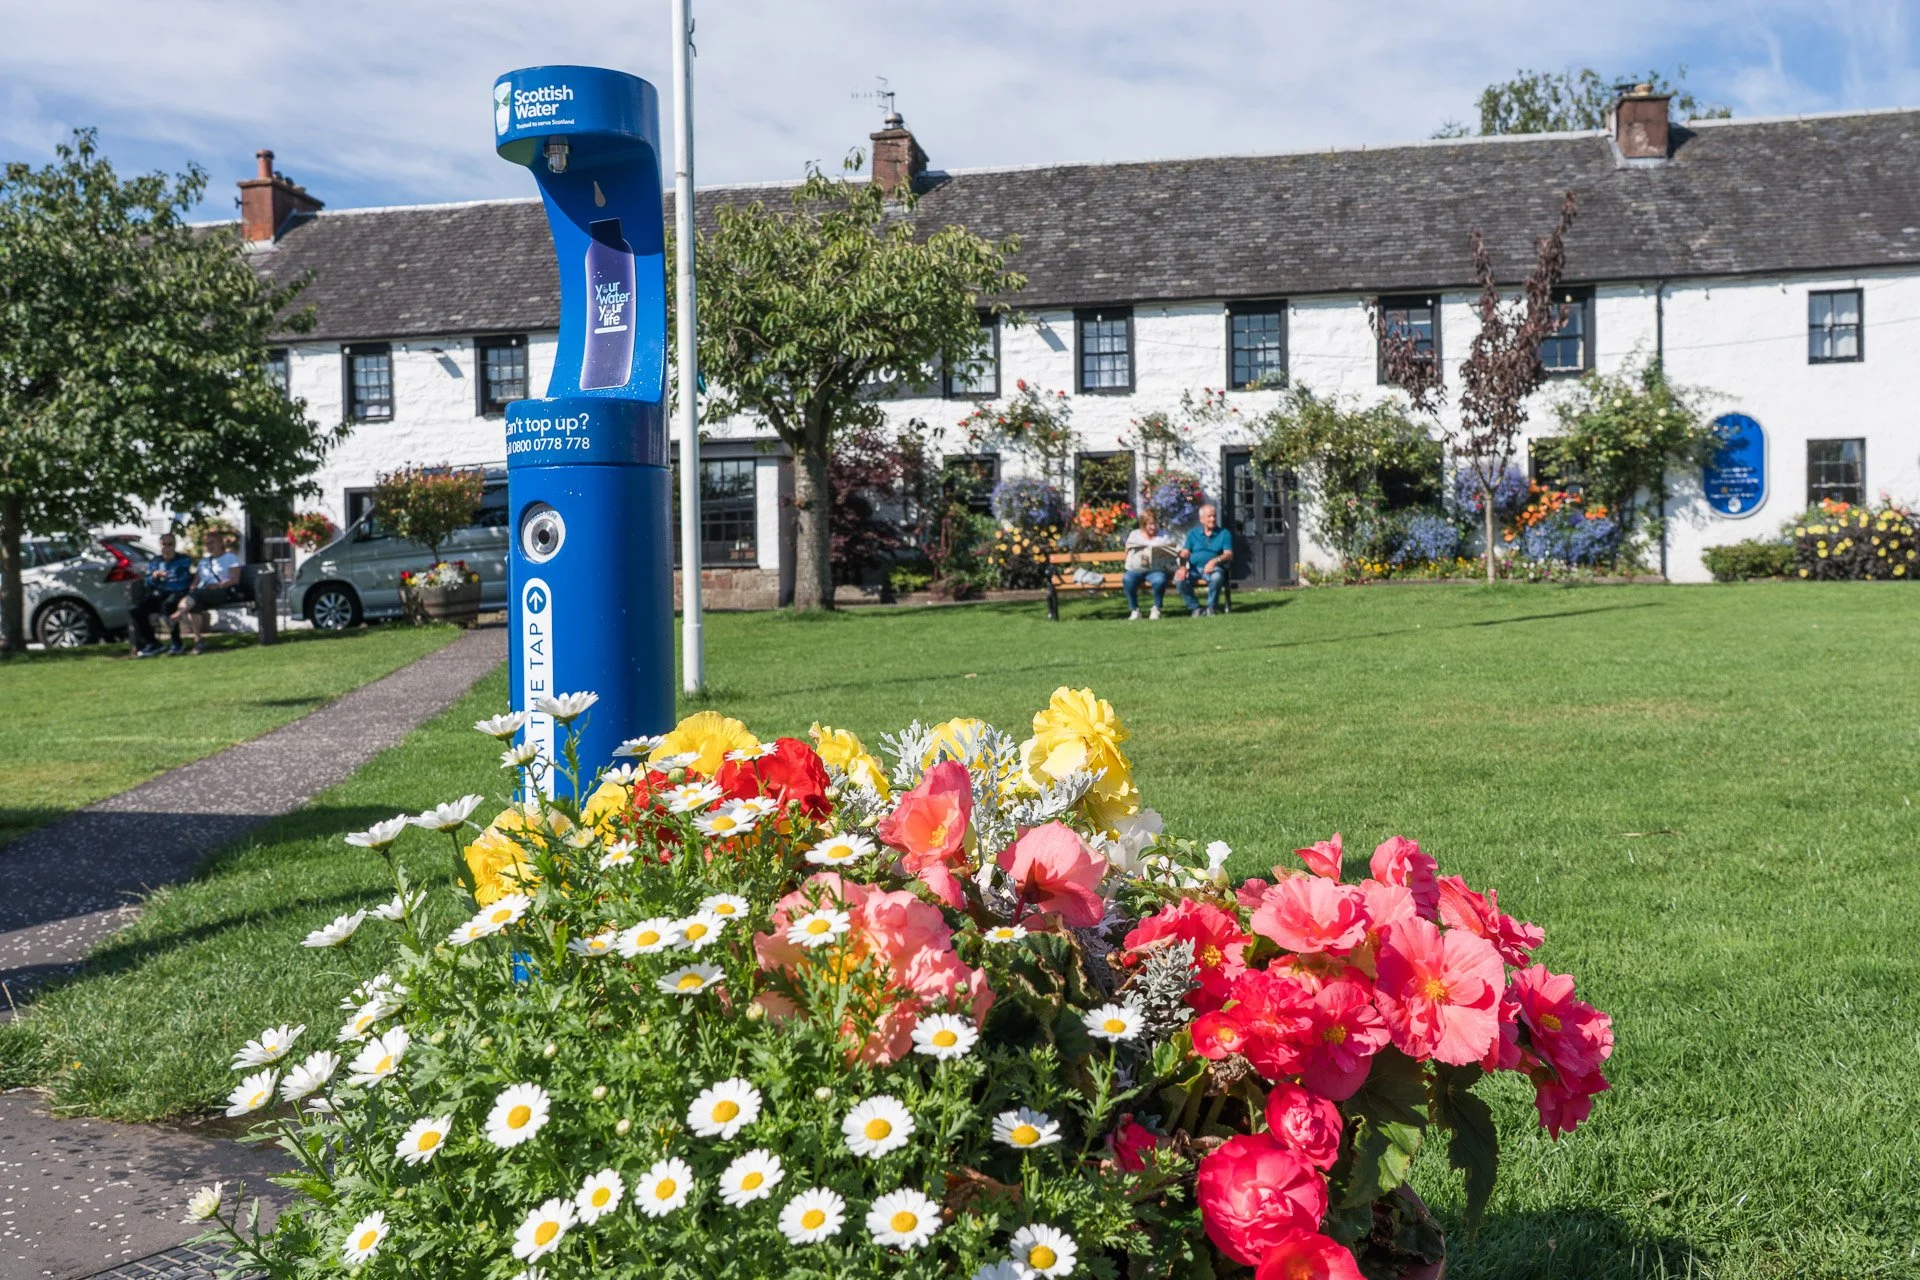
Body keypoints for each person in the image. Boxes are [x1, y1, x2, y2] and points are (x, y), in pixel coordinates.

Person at [174, 529, 244, 655]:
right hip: (203, 593)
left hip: (222, 591)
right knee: (194, 605)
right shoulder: (204, 561)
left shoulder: (230, 557)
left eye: (212, 543)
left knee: (196, 596)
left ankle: (179, 613)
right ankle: (199, 640)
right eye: (207, 543)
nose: (210, 546)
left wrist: (218, 585)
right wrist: (193, 587)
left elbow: (235, 579)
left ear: (220, 543)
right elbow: (196, 581)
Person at [131, 533, 195, 657]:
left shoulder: (183, 559)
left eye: (170, 544)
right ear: (160, 545)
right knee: (136, 609)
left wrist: (168, 568)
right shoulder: (156, 561)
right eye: (164, 544)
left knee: (169, 605)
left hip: (179, 593)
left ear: (175, 545)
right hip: (160, 594)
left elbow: (183, 579)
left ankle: (177, 644)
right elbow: (148, 582)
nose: (167, 547)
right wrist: (155, 576)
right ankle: (153, 643)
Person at [1176, 502, 1234, 616]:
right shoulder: (1193, 534)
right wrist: (1182, 567)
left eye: (1214, 516)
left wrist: (1214, 561)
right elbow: (1185, 553)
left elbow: (1229, 554)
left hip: (1214, 568)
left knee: (1217, 577)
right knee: (1179, 579)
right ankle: (1196, 608)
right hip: (1194, 569)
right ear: (1201, 519)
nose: (1213, 519)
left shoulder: (1224, 533)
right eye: (1209, 516)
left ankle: (1211, 608)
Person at [1122, 511, 1179, 620]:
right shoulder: (1134, 535)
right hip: (1137, 569)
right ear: (1143, 525)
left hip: (1156, 569)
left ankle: (1156, 608)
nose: (1153, 527)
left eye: (1155, 524)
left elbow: (1172, 553)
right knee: (1127, 578)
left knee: (1160, 580)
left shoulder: (1163, 536)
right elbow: (1127, 552)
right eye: (1150, 524)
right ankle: (1134, 610)